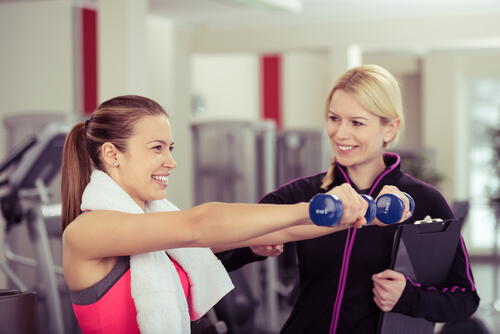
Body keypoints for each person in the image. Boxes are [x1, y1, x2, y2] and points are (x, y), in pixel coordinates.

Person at [61, 94, 410, 334]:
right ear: (112, 154)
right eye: (156, 148)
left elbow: (278, 234)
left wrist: (361, 216)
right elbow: (199, 226)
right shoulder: (88, 229)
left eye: (170, 148)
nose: (171, 161)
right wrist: (309, 207)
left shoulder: (155, 224)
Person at [217, 64, 480, 333]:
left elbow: (465, 299)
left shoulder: (425, 201)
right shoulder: (304, 195)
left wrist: (410, 298)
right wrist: (253, 247)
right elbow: (218, 252)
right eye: (334, 118)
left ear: (389, 129)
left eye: (356, 122)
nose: (340, 133)